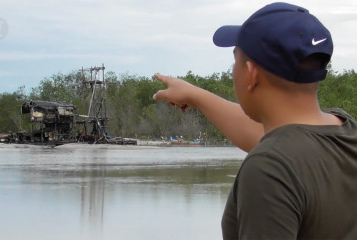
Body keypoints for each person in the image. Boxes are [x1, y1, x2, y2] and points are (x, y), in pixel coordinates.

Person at [153, 2, 357, 239]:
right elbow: (271, 137)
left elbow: (278, 151)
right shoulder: (346, 129)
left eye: (235, 61)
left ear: (251, 73)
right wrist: (196, 96)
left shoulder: (269, 169)